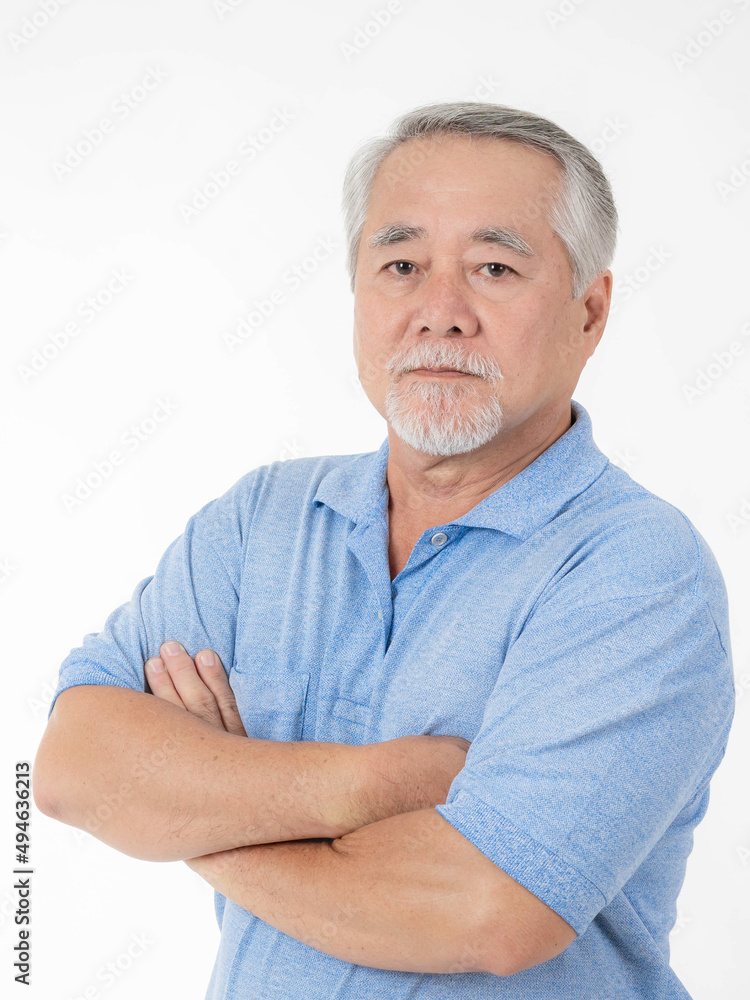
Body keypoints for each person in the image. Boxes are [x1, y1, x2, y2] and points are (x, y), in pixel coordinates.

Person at [33, 101, 735, 999]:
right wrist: (369, 785)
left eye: (493, 266)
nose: (440, 313)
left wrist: (190, 807)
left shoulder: (634, 571)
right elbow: (71, 771)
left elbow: (486, 910)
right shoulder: (261, 523)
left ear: (589, 311)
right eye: (401, 264)